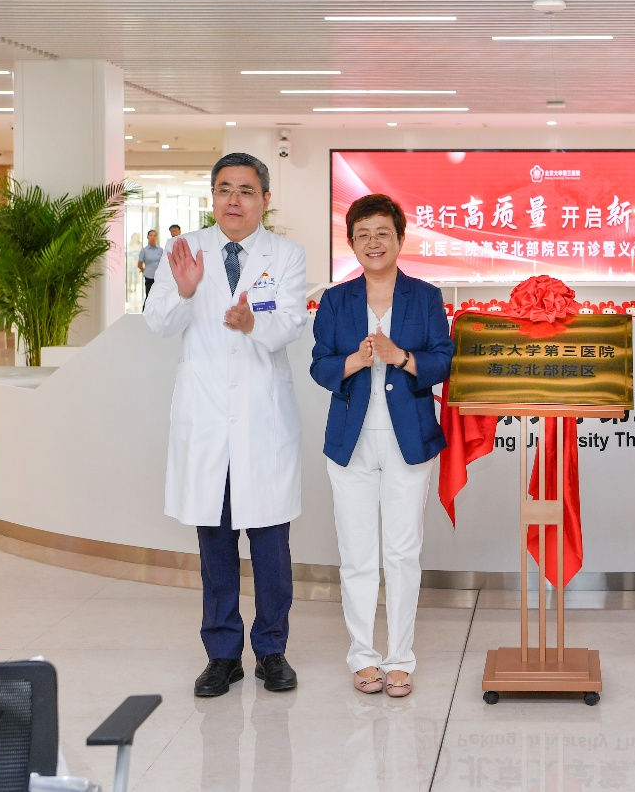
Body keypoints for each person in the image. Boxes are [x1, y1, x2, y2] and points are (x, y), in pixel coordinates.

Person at [144, 152, 308, 698]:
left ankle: (272, 650)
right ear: (212, 196)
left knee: (270, 545)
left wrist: (252, 323)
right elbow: (158, 323)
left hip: (263, 419)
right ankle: (221, 655)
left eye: (245, 190)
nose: (234, 200)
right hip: (207, 418)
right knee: (215, 544)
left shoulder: (286, 254)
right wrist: (186, 291)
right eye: (224, 189)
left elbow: (290, 323)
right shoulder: (185, 250)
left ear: (265, 199)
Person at [311, 193, 453, 698]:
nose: (373, 243)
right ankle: (363, 657)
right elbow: (319, 365)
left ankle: (399, 659)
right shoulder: (335, 300)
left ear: (400, 239)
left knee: (402, 553)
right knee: (356, 555)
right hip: (350, 443)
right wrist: (354, 360)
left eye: (382, 233)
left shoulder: (425, 296)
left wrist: (401, 357)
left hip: (408, 440)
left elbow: (443, 360)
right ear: (351, 243)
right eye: (363, 235)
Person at [138, 229, 163, 305]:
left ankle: (158, 312)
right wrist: (145, 271)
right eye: (151, 235)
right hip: (149, 277)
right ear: (148, 237)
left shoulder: (161, 250)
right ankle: (146, 312)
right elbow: (139, 264)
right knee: (149, 297)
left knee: (159, 297)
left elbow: (164, 263)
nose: (153, 237)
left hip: (159, 277)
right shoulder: (144, 250)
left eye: (155, 235)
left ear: (157, 237)